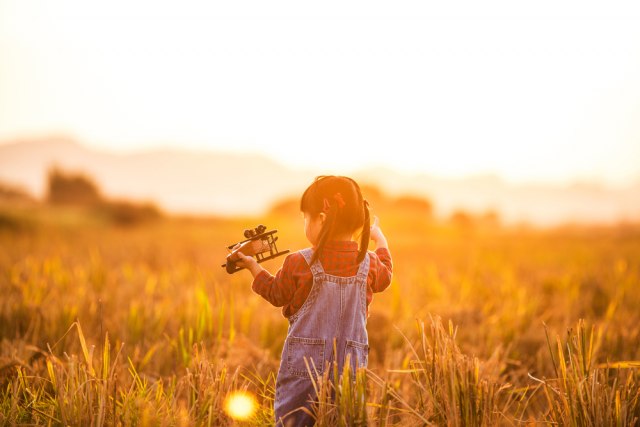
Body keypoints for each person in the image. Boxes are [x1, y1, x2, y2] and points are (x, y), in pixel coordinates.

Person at [234, 175, 393, 427]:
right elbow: (386, 275)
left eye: (305, 218)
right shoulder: (370, 262)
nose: (305, 224)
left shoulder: (298, 262)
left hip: (303, 369)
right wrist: (379, 239)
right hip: (350, 370)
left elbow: (276, 293)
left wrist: (254, 267)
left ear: (320, 219)